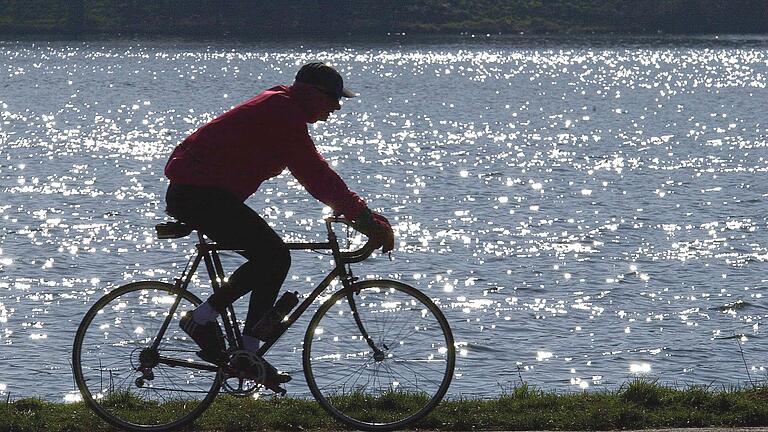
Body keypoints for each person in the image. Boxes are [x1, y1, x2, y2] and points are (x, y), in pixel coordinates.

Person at [163, 62, 395, 389]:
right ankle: (204, 323)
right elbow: (316, 175)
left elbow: (318, 175)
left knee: (271, 258)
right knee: (273, 256)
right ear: (311, 93)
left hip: (202, 192)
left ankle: (244, 352)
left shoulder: (282, 107)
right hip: (198, 194)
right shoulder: (281, 111)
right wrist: (365, 219)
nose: (337, 107)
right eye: (332, 98)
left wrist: (361, 214)